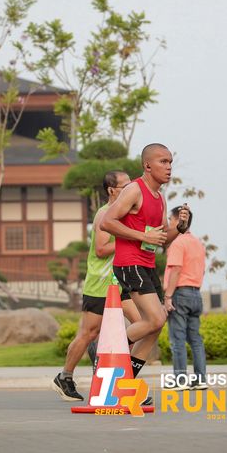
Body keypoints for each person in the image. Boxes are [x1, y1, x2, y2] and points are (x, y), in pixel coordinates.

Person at [101, 143, 190, 379]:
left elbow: (161, 239)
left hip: (147, 264)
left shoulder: (160, 198)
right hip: (129, 263)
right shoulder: (134, 190)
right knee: (156, 318)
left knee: (155, 326)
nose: (169, 167)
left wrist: (180, 228)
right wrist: (142, 236)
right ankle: (105, 347)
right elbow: (107, 222)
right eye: (163, 161)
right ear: (147, 165)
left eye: (170, 162)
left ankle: (125, 378)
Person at [52, 170, 142, 401]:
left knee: (143, 324)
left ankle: (120, 377)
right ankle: (65, 377)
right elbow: (101, 249)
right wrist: (132, 237)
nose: (130, 191)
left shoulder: (123, 214)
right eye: (125, 187)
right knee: (88, 333)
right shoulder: (104, 214)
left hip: (119, 282)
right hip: (101, 284)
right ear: (111, 190)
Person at [164, 205, 208, 390]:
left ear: (177, 220)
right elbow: (202, 270)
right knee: (195, 339)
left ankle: (180, 380)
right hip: (196, 293)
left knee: (177, 340)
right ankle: (200, 379)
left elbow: (176, 269)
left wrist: (168, 296)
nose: (168, 223)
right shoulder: (198, 243)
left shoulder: (178, 243)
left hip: (180, 293)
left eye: (170, 220)